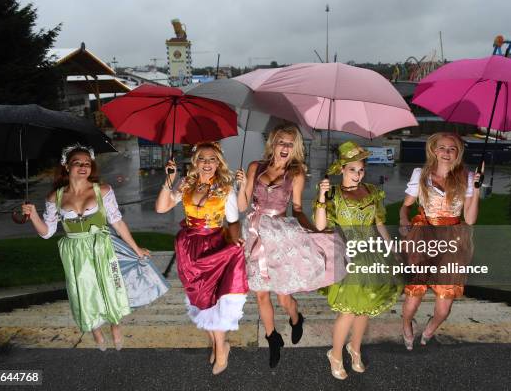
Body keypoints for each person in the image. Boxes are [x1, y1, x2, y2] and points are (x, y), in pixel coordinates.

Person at [236, 124, 345, 368]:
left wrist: (313, 231)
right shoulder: (256, 166)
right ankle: (272, 338)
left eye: (290, 143)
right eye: (281, 142)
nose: (285, 147)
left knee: (284, 297)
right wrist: (242, 185)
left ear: (295, 148)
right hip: (254, 234)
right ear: (273, 143)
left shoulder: (295, 174)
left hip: (278, 237)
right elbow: (243, 206)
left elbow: (296, 209)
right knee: (261, 294)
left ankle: (296, 318)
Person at [22, 144, 149, 350]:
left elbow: (117, 222)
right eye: (77, 163)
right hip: (75, 251)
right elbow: (47, 233)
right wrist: (33, 214)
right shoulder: (55, 197)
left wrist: (136, 249)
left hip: (102, 247)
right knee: (83, 289)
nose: (83, 167)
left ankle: (115, 325)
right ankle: (95, 331)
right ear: (66, 166)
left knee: (110, 286)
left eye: (87, 163)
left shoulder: (103, 190)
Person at [155, 142, 248, 375]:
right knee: (200, 301)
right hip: (189, 250)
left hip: (214, 249)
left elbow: (234, 222)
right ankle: (219, 343)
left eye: (212, 159)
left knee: (212, 301)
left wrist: (234, 243)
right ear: (195, 161)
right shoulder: (186, 184)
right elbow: (161, 207)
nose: (207, 164)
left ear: (219, 163)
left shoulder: (226, 189)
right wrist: (170, 178)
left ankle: (220, 349)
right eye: (203, 159)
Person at [315, 141, 403, 380]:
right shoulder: (332, 193)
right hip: (348, 255)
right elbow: (321, 225)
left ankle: (355, 348)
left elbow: (379, 223)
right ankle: (335, 354)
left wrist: (391, 248)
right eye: (352, 169)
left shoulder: (372, 191)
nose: (357, 174)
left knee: (366, 307)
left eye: (361, 169)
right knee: (349, 310)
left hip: (372, 252)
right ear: (341, 169)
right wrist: (322, 196)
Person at [399, 132, 481, 350]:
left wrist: (477, 189)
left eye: (452, 148)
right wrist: (404, 220)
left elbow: (470, 220)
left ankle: (430, 328)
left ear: (458, 152)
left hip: (452, 241)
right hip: (424, 237)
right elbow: (405, 205)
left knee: (444, 308)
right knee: (413, 298)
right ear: (433, 150)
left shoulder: (467, 178)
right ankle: (406, 323)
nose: (446, 152)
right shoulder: (421, 174)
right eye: (442, 147)